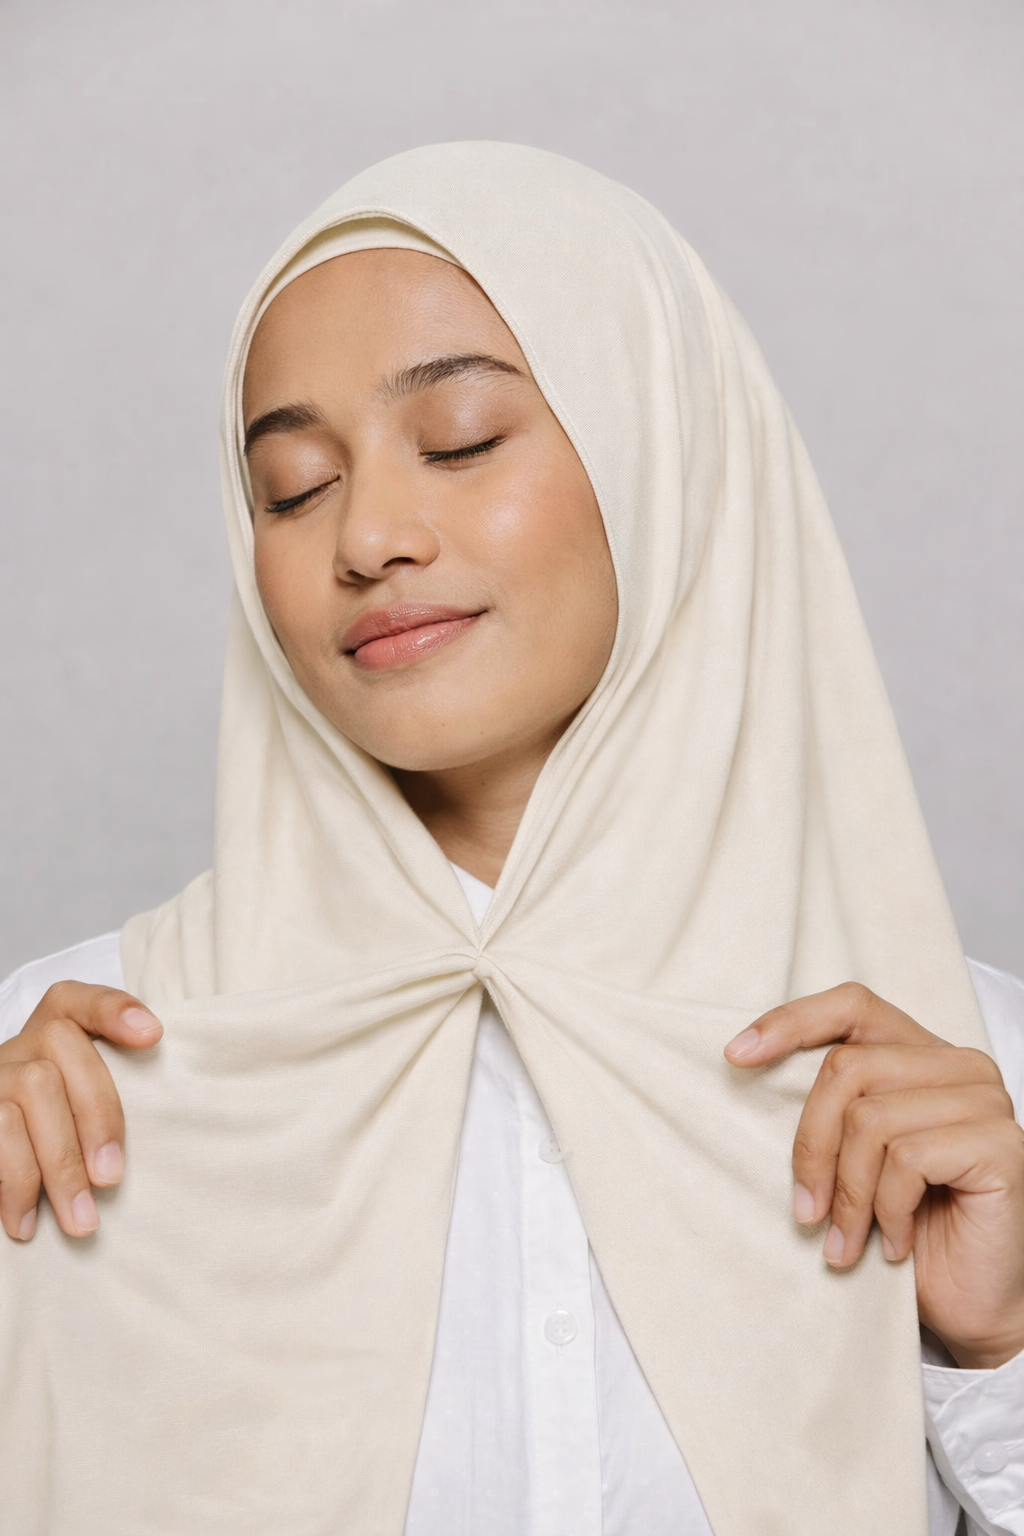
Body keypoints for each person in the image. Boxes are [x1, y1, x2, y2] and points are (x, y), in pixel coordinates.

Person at [0, 143, 1021, 1536]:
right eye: (293, 486)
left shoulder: (965, 1084)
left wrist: (1000, 1352)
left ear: (664, 460)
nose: (368, 536)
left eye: (462, 439)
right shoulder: (74, 1087)